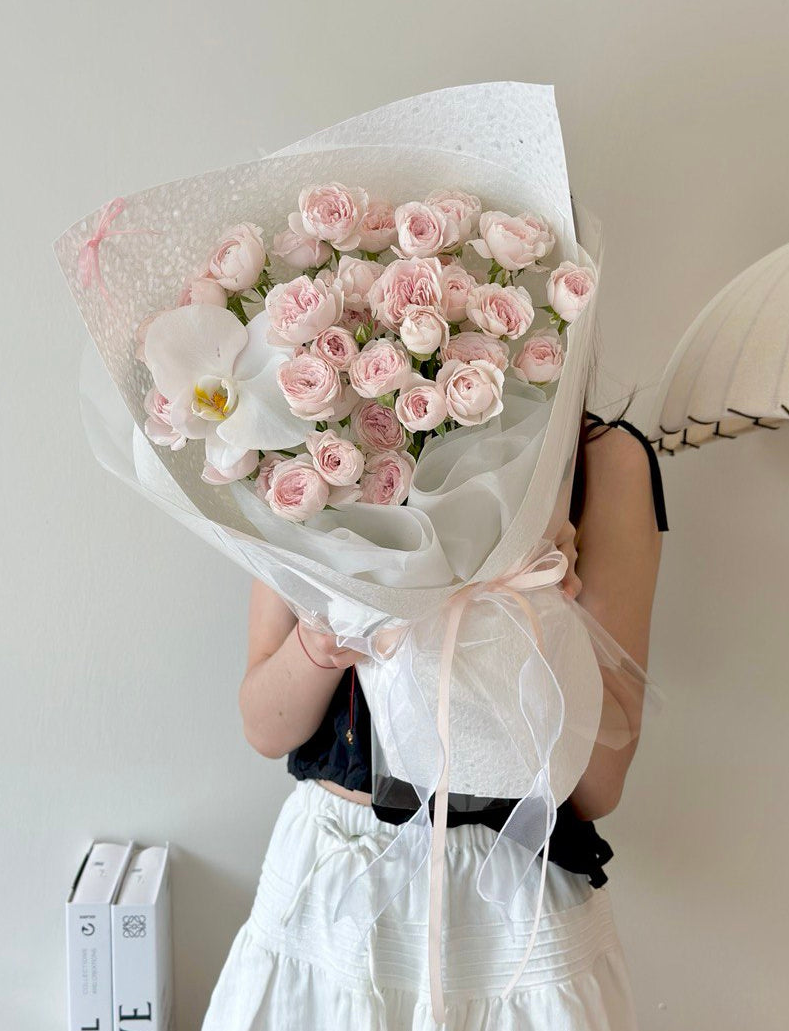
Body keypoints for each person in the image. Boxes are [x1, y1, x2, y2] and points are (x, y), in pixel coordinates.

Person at [201, 405, 668, 1031]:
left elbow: (598, 789)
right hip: (336, 884)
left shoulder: (604, 459)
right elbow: (265, 725)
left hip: (515, 911)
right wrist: (324, 635)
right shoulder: (321, 439)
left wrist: (538, 622)